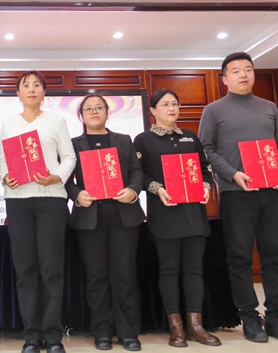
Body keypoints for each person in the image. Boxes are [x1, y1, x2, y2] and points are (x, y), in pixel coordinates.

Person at [199, 52, 278, 342]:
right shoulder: (214, 110)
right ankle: (249, 317)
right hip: (236, 194)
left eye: (248, 69)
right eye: (236, 71)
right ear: (224, 79)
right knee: (240, 258)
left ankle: (274, 316)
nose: (243, 74)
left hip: (272, 193)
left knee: (274, 255)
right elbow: (206, 149)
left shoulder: (269, 107)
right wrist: (233, 174)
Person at [133, 89, 221, 348]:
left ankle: (196, 325)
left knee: (194, 269)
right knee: (169, 269)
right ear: (152, 110)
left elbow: (205, 169)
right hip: (164, 213)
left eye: (175, 104)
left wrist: (206, 186)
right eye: (164, 104)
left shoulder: (190, 137)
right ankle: (176, 327)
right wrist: (157, 188)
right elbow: (138, 175)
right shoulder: (143, 140)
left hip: (193, 213)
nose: (171, 108)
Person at [0, 71, 76, 353]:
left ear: (44, 92)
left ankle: (53, 335)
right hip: (18, 201)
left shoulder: (56, 120)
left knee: (51, 268)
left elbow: (69, 156)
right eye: (25, 85)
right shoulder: (9, 123)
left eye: (36, 85)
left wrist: (57, 178)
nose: (31, 89)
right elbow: (3, 160)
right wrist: (6, 176)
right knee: (26, 269)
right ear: (18, 93)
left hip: (51, 200)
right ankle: (31, 335)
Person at [65, 94, 144, 352]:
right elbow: (65, 178)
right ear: (81, 115)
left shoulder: (123, 140)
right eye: (88, 108)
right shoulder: (73, 144)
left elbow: (136, 171)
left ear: (108, 112)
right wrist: (77, 194)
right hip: (90, 217)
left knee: (124, 275)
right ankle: (102, 332)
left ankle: (128, 333)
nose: (94, 112)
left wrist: (133, 190)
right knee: (96, 277)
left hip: (123, 215)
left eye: (99, 107)